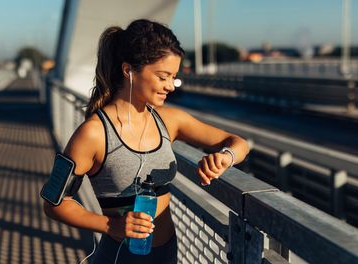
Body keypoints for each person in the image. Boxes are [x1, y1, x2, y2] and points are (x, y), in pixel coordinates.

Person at [43, 19, 250, 264]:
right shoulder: (93, 134)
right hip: (120, 257)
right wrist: (111, 225)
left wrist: (225, 157)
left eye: (173, 77)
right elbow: (53, 202)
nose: (171, 86)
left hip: (166, 255)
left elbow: (238, 142)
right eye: (163, 77)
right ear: (128, 70)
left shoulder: (170, 120)